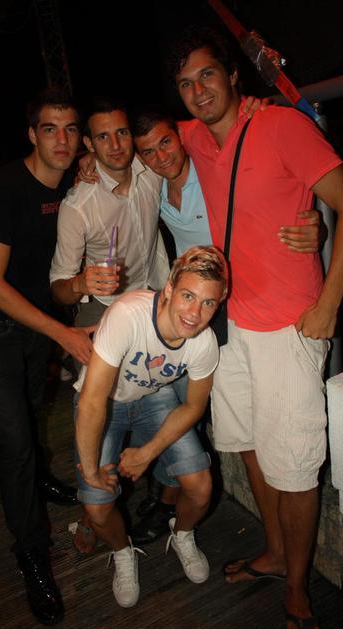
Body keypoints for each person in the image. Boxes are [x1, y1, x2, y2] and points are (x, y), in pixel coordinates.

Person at [167, 26, 343, 629]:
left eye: (208, 75)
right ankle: (277, 554)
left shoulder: (281, 126)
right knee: (248, 444)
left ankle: (300, 587)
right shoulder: (194, 137)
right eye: (186, 83)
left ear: (234, 76)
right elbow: (140, 139)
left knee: (297, 466)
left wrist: (329, 303)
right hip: (230, 325)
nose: (199, 91)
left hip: (289, 326)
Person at [128, 108, 324, 546]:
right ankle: (176, 499)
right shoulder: (153, 184)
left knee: (270, 437)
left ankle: (173, 500)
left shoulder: (206, 168)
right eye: (149, 152)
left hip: (256, 302)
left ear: (180, 136)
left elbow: (237, 130)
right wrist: (90, 161)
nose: (161, 156)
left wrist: (316, 224)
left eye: (166, 143)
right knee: (235, 429)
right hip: (205, 315)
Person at [0, 87, 94, 626]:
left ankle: (39, 478)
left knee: (33, 417)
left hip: (35, 328)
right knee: (14, 442)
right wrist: (63, 334)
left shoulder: (72, 184)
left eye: (70, 129)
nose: (61, 139)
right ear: (31, 135)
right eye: (49, 129)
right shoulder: (4, 187)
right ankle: (32, 553)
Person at [75, 245, 227, 608]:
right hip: (105, 402)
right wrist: (91, 470)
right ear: (169, 289)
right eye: (188, 296)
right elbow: (92, 401)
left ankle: (183, 533)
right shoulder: (128, 314)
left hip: (153, 399)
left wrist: (147, 453)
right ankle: (122, 550)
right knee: (97, 507)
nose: (195, 313)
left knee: (201, 487)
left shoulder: (205, 343)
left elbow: (193, 406)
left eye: (208, 303)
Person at [49, 97, 170, 553]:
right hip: (99, 311)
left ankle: (161, 500)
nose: (115, 145)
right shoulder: (78, 204)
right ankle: (93, 505)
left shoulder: (151, 171)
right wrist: (82, 281)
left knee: (163, 406)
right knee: (98, 416)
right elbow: (58, 288)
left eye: (121, 133)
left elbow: (183, 138)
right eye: (102, 137)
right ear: (89, 144)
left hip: (151, 304)